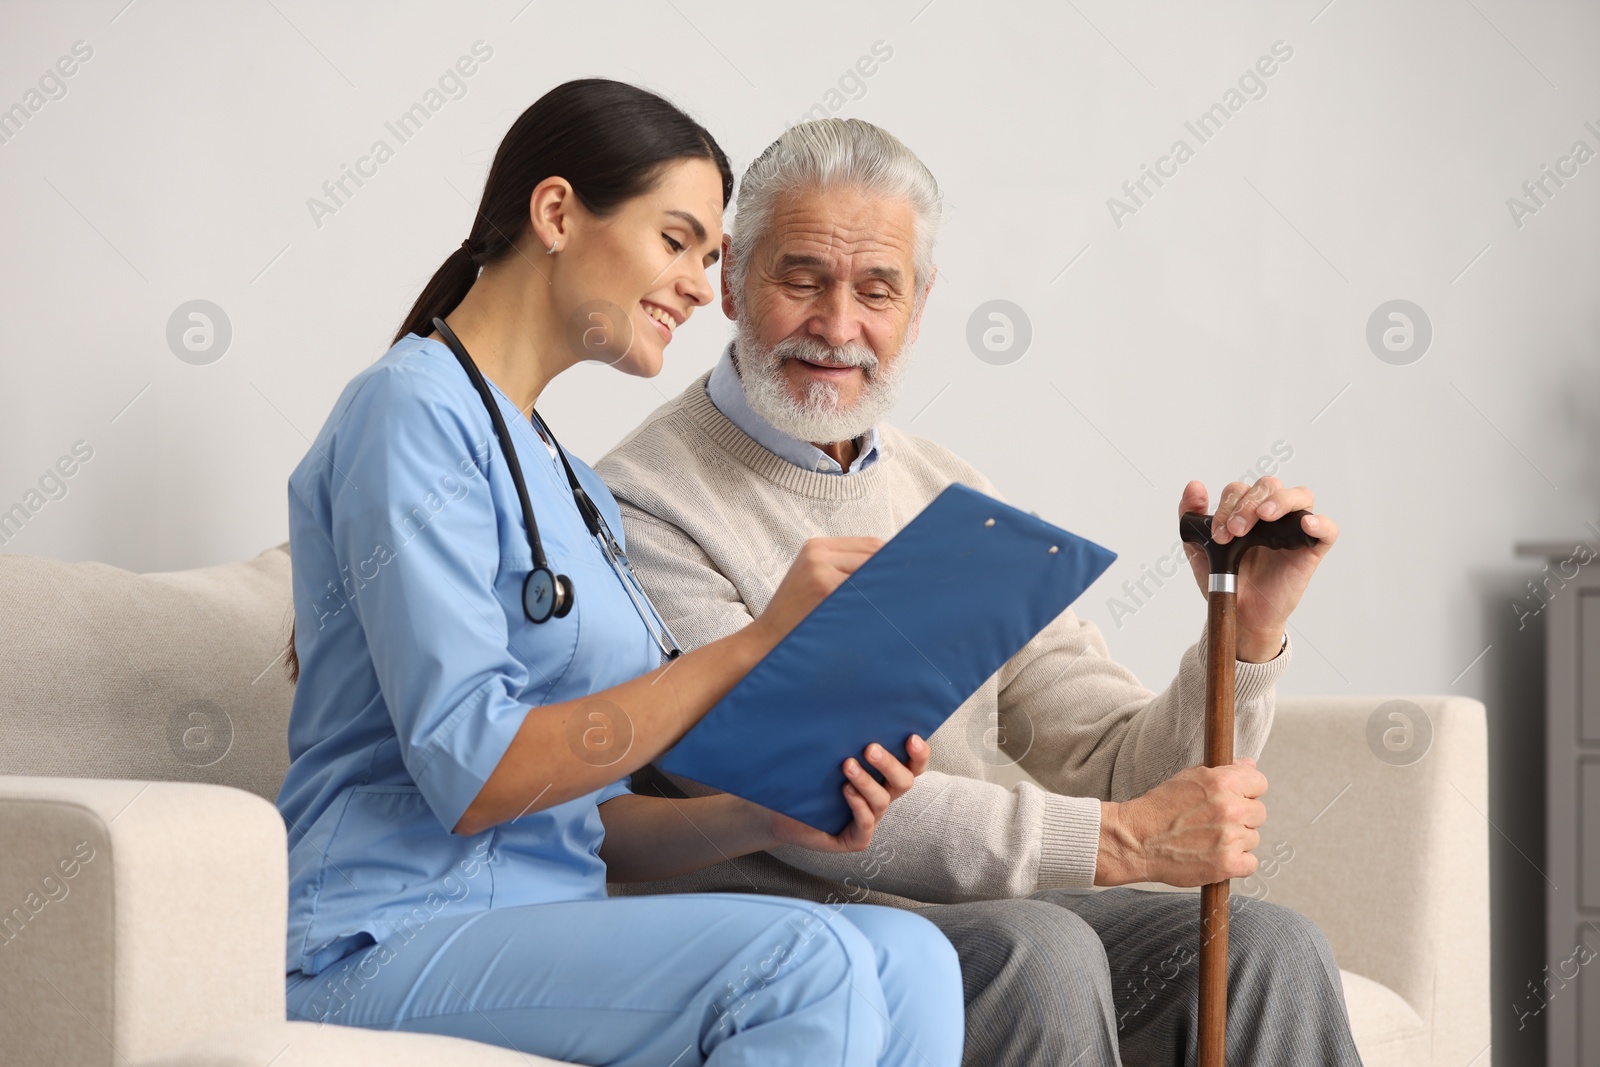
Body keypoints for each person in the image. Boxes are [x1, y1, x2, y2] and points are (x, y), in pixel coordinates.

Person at [594, 118, 1363, 1066]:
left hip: (988, 918)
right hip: (787, 922)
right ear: (730, 282)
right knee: (1037, 950)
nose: (839, 326)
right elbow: (792, 792)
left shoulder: (950, 492)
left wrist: (1242, 635)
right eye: (802, 280)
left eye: (877, 290)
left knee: (1265, 945)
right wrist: (1115, 845)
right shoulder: (641, 502)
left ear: (917, 309)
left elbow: (1126, 768)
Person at [275, 81, 964, 1067]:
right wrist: (757, 642)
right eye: (677, 240)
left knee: (910, 954)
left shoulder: (571, 481)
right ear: (556, 214)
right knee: (799, 962)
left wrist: (764, 816)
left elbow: (584, 822)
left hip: (544, 918)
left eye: (709, 255)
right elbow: (479, 778)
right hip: (379, 933)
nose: (698, 284)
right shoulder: (409, 413)